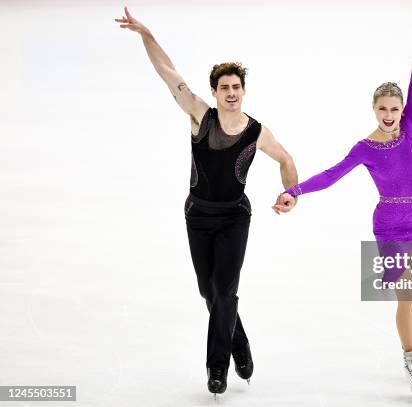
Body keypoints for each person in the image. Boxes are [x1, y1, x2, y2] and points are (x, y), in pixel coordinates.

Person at [115, 7, 298, 397]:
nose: (231, 93)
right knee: (209, 292)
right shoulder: (201, 115)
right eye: (224, 88)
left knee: (225, 289)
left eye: (237, 87)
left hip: (235, 218)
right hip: (197, 215)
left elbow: (286, 159)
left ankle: (218, 369)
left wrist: (291, 192)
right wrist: (147, 33)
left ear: (243, 90)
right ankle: (240, 342)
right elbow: (169, 74)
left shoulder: (256, 131)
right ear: (214, 92)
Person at [274, 29, 412, 400]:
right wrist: (295, 191)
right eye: (382, 108)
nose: (389, 115)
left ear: (403, 108)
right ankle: (410, 359)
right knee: (405, 296)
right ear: (374, 109)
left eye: (394, 108)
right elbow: (331, 174)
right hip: (390, 227)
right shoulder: (365, 148)